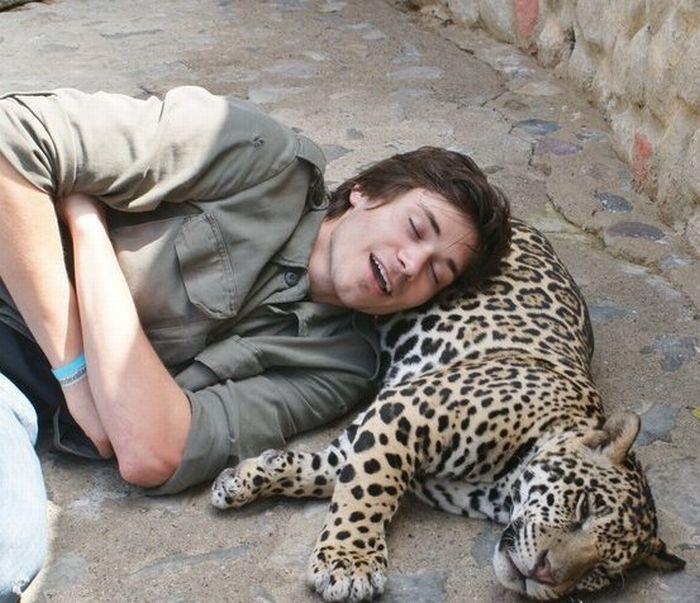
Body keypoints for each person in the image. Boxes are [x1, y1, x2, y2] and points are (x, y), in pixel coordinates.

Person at [0, 86, 511, 600]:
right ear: (364, 192)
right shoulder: (261, 157)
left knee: (7, 557)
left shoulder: (340, 367)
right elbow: (12, 136)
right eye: (416, 228)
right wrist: (77, 372)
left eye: (437, 273)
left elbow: (153, 451)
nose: (412, 264)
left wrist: (85, 222)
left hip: (14, 399)